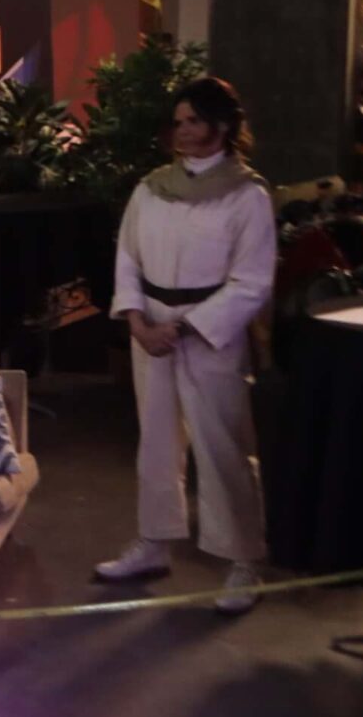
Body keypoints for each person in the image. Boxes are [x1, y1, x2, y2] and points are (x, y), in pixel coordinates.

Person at [95, 77, 277, 608]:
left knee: (222, 446)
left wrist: (189, 326)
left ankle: (243, 558)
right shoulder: (152, 188)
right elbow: (127, 258)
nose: (183, 131)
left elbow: (252, 280)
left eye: (194, 120)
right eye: (178, 121)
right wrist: (137, 320)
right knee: (156, 441)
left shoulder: (247, 194)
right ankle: (154, 541)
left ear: (222, 125)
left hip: (209, 335)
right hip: (151, 329)